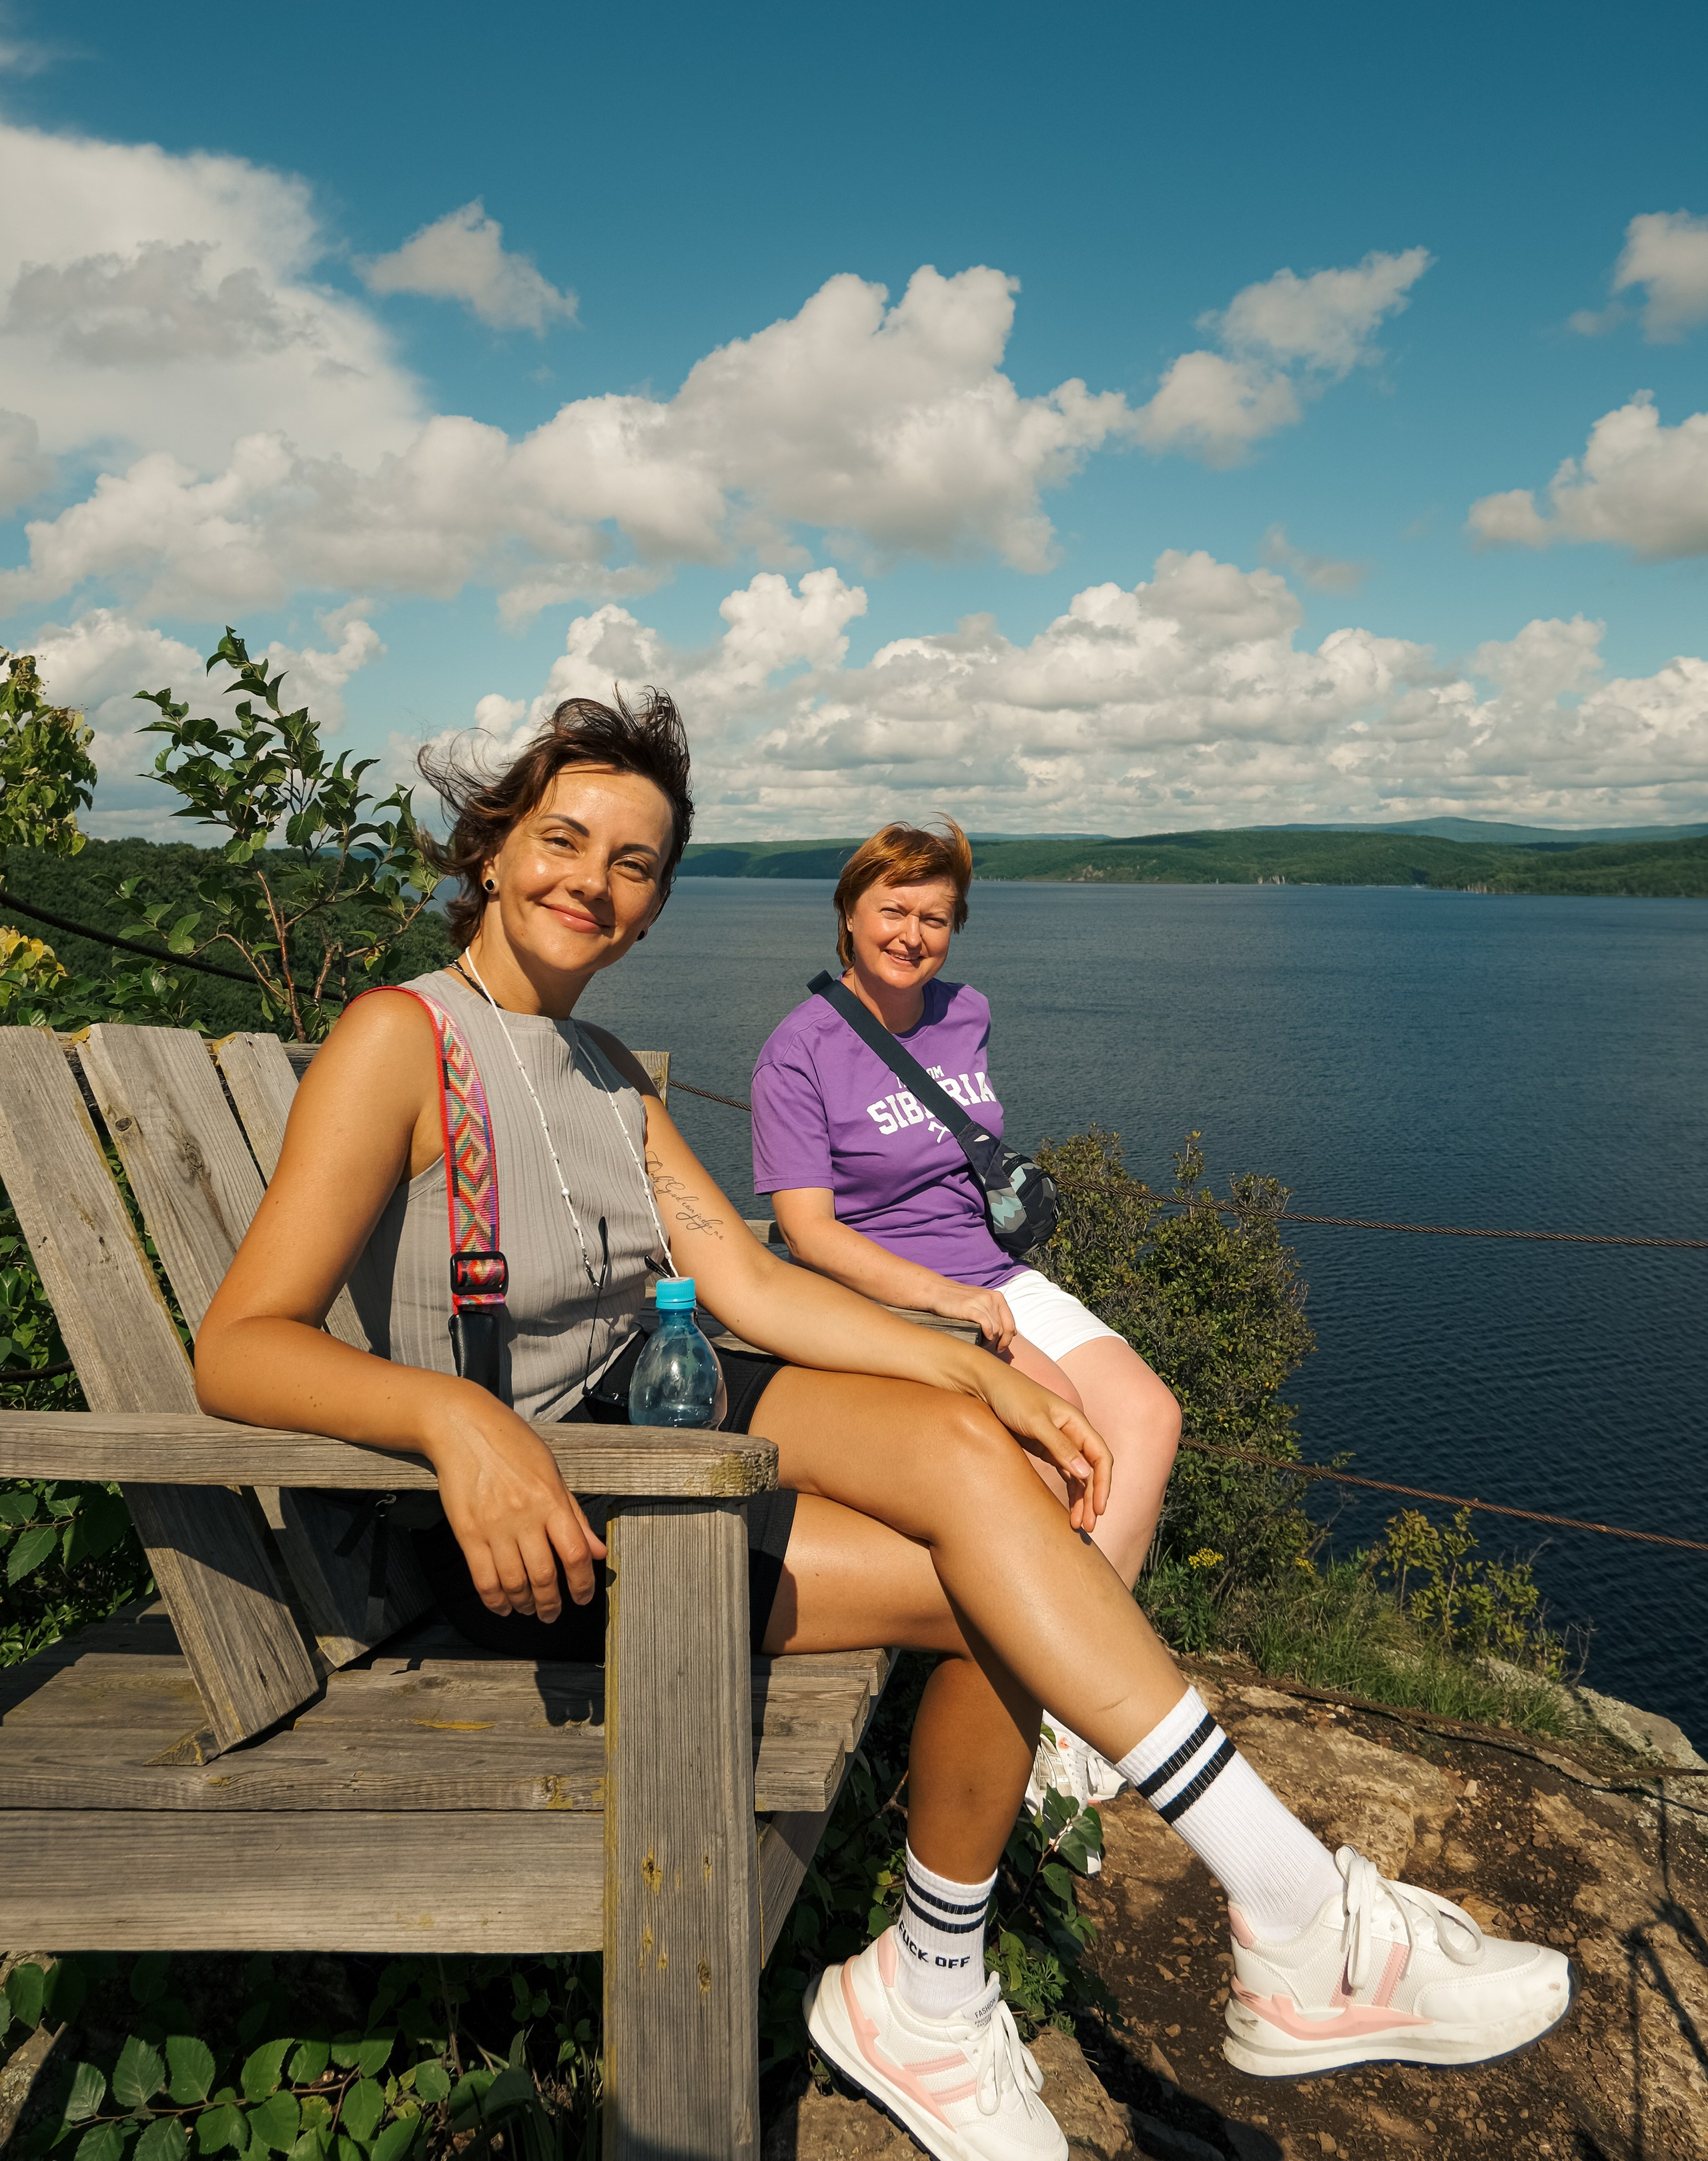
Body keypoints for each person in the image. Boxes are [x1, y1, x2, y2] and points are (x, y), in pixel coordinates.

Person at [195, 693, 1571, 2161]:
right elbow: (240, 1348)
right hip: (543, 1532)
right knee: (1005, 1595)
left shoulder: (601, 1076)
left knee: (1011, 1495)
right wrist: (451, 1423)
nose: (591, 881)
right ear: (490, 852)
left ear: (657, 908)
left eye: (636, 863)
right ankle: (1219, 1926)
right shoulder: (398, 1040)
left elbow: (743, 1283)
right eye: (562, 839)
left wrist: (967, 1365)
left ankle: (1043, 1966)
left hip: (649, 1428)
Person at [751, 817, 1181, 1812]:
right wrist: (945, 1298)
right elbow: (807, 1234)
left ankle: (1077, 1708)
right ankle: (1036, 1701)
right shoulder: (799, 1050)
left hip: (985, 1269)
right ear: (850, 914)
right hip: (891, 1290)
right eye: (893, 909)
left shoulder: (967, 1012)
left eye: (935, 916)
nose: (912, 933)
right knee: (1062, 1440)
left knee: (1149, 1420)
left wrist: (978, 1280)